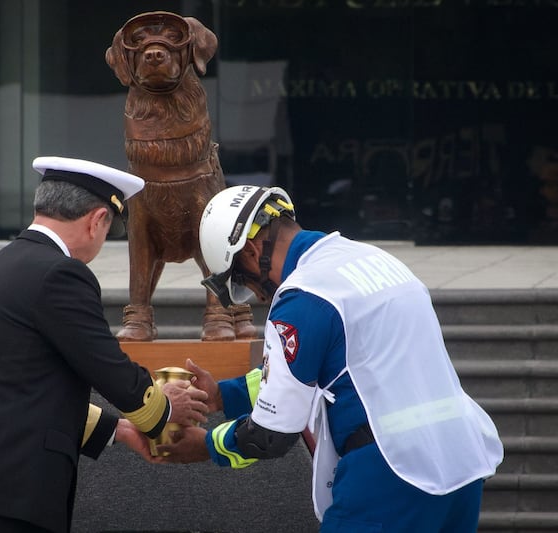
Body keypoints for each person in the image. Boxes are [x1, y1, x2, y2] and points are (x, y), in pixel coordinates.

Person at [157, 184, 504, 532]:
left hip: (390, 473)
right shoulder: (373, 260)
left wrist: (206, 445)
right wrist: (221, 395)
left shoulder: (303, 296)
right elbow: (319, 367)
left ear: (250, 251)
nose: (259, 296)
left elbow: (271, 434)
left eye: (244, 281)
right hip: (463, 462)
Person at [0, 156, 209, 533]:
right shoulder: (60, 274)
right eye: (109, 229)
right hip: (17, 492)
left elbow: (23, 388)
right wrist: (163, 409)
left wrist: (122, 430)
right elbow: (107, 366)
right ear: (97, 220)